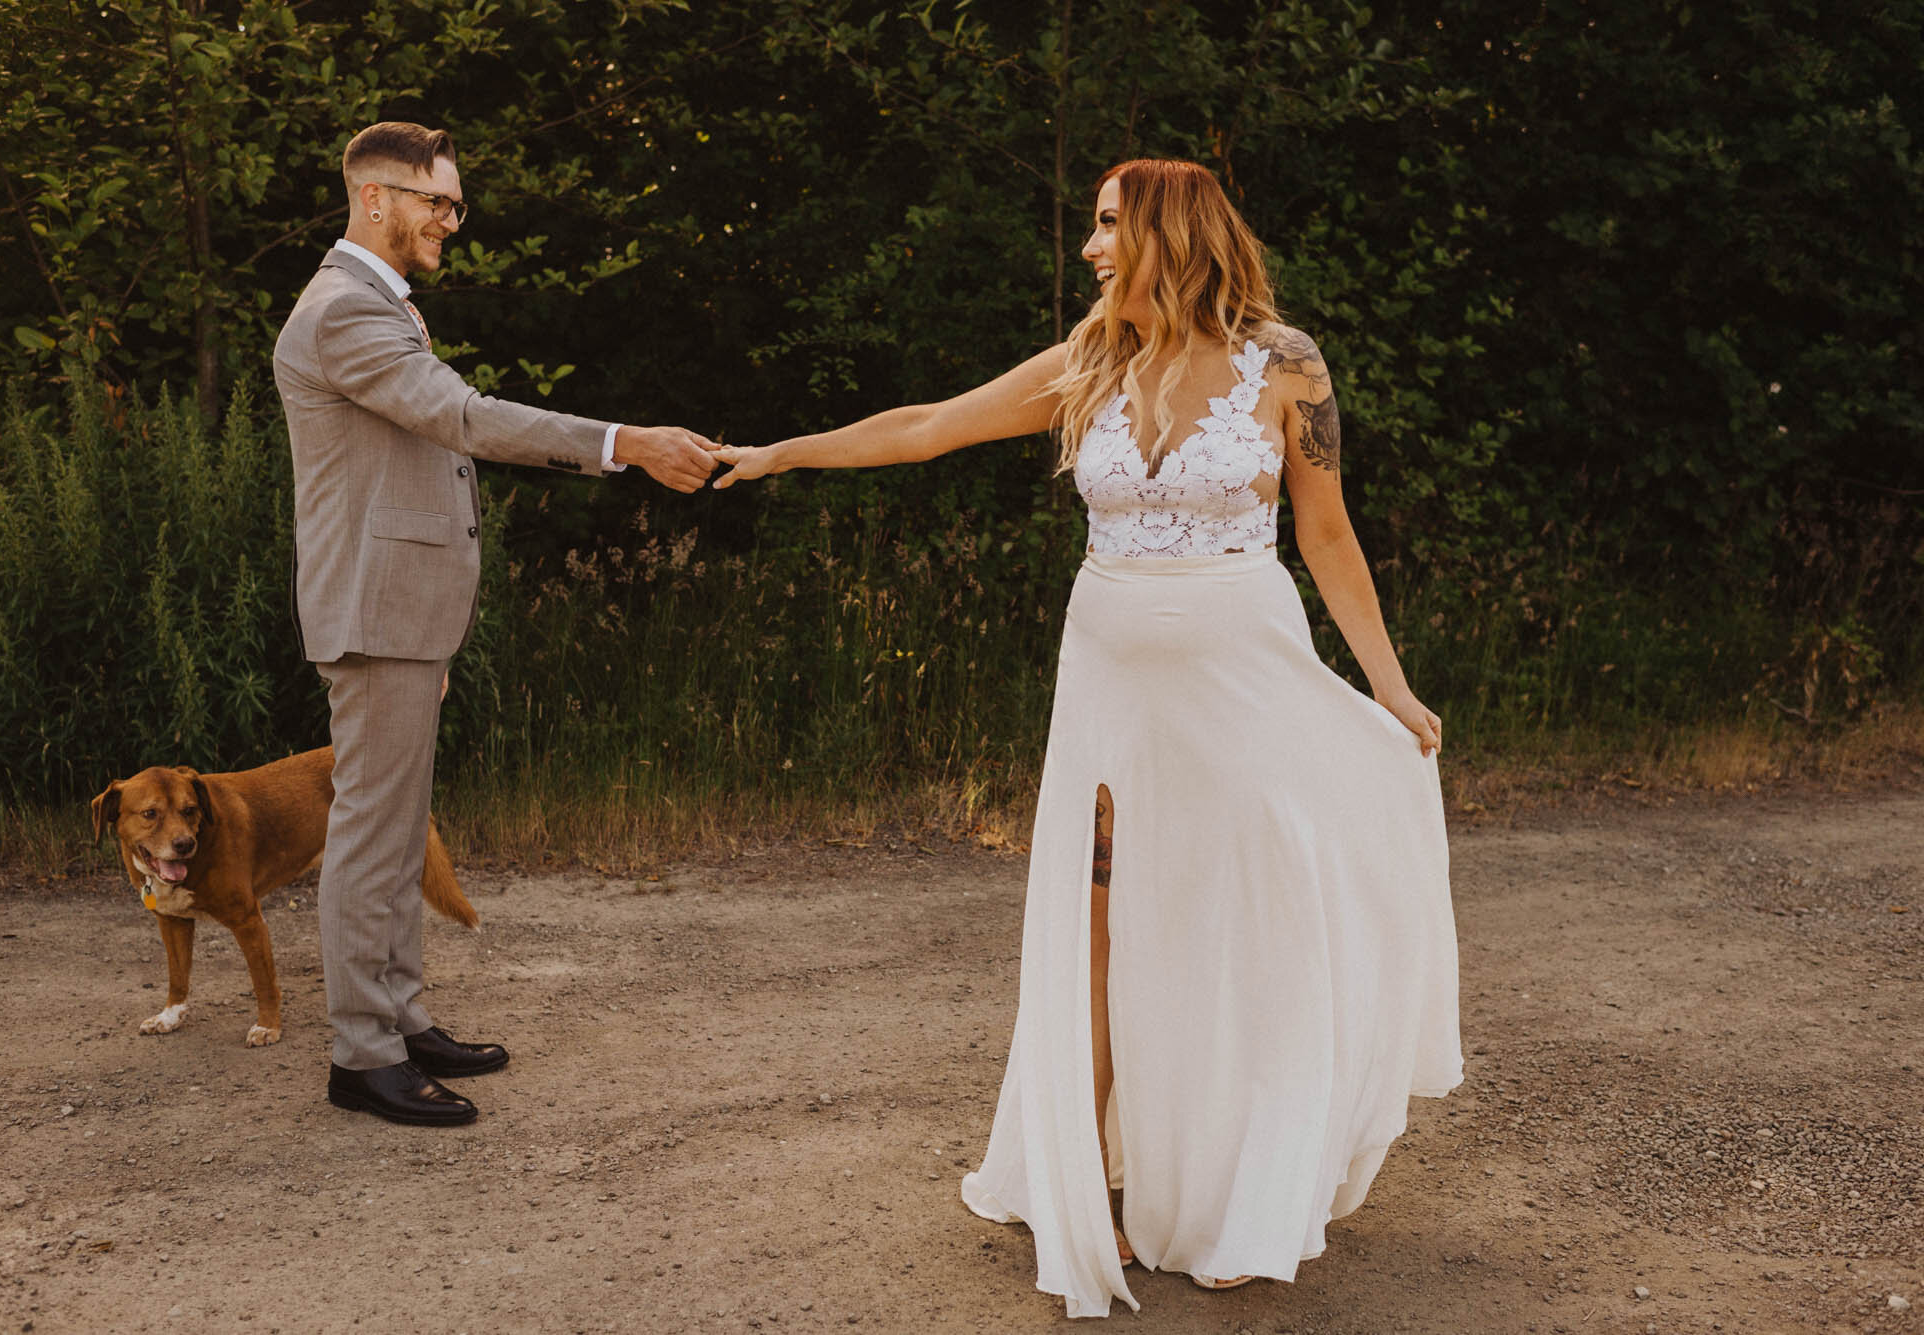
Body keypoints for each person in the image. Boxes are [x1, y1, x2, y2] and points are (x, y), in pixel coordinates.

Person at [713, 159, 1463, 1315]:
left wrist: (1389, 688)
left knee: (1243, 923)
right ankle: (1096, 1184)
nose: (1091, 246)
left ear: (1168, 231)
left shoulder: (1286, 363)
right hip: (1108, 678)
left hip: (1245, 678)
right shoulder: (1092, 357)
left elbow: (1326, 535)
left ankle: (1245, 1197)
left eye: (1109, 225)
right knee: (1103, 928)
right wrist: (778, 454)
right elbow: (927, 428)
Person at [273, 121, 720, 1127]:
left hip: (402, 609)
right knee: (369, 834)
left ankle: (398, 1020)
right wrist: (624, 444)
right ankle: (361, 1055)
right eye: (434, 201)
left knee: (392, 833)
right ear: (372, 198)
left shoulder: (379, 306)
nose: (449, 221)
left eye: (455, 204)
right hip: (375, 608)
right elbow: (462, 418)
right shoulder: (344, 310)